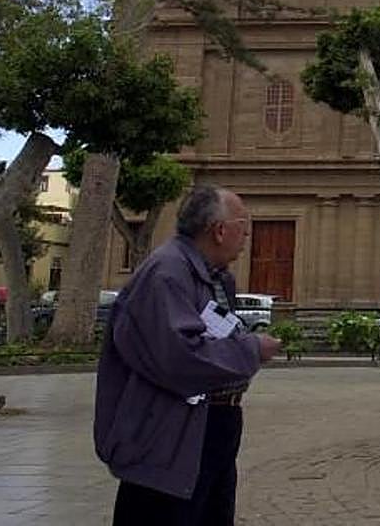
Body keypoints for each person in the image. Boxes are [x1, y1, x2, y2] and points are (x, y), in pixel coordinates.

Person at [94, 184, 282, 526]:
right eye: (244, 226)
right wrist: (253, 349)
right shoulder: (167, 273)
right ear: (220, 230)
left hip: (210, 429)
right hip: (169, 439)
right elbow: (180, 356)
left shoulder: (214, 277)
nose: (248, 236)